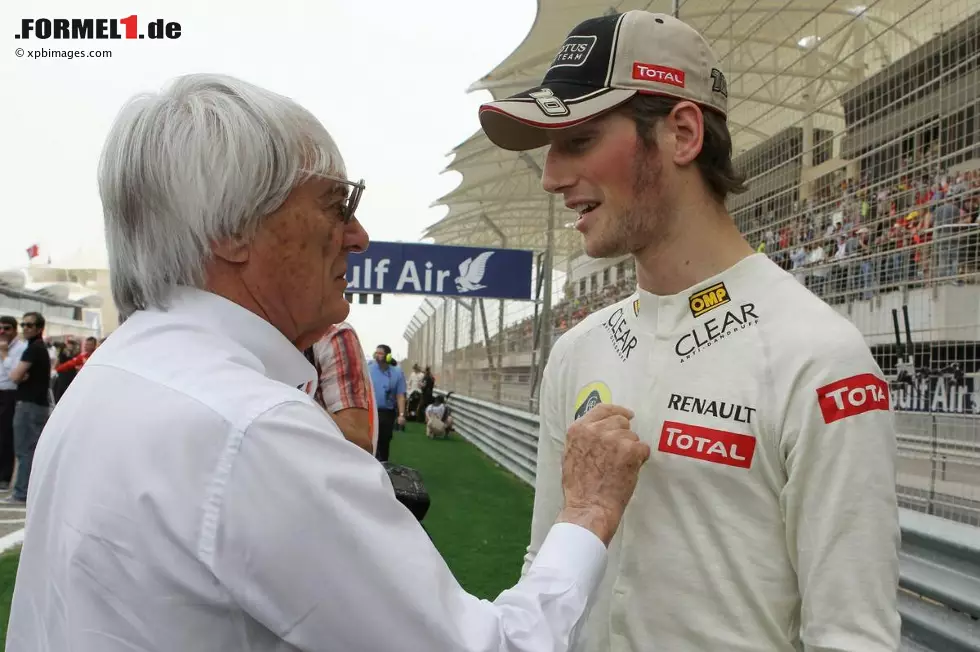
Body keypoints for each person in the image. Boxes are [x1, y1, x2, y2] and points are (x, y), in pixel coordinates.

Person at [7, 72, 651, 652]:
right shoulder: (250, 427)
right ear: (233, 229)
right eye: (337, 204)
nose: (358, 235)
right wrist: (587, 513)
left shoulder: (117, 369)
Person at [479, 11, 901, 652]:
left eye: (580, 139)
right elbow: (544, 570)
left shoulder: (820, 357)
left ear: (681, 133)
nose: (551, 177)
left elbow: (852, 636)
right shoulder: (577, 350)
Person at [4, 312, 52, 504]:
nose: (25, 328)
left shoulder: (33, 349)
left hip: (29, 404)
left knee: (25, 449)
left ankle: (21, 492)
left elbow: (15, 376)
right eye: (23, 325)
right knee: (30, 448)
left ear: (40, 328)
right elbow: (19, 375)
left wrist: (5, 355)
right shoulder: (37, 348)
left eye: (29, 325)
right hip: (35, 404)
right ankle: (27, 490)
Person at [307, 322, 377, 454]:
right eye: (377, 353)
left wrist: (291, 402)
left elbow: (359, 443)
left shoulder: (331, 335)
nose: (380, 356)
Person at [0, 315, 27, 490]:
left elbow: (16, 375)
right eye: (0, 328)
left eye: (7, 328)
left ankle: (4, 476)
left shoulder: (21, 348)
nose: (2, 332)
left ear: (14, 330)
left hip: (9, 393)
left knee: (5, 435)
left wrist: (4, 354)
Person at [368, 344, 406, 461]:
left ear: (388, 356)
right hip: (370, 410)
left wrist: (401, 415)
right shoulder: (369, 368)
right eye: (376, 353)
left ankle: (383, 465)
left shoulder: (397, 373)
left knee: (384, 441)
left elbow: (400, 395)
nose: (377, 355)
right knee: (370, 440)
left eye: (380, 353)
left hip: (387, 412)